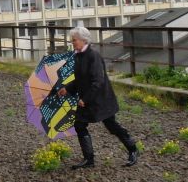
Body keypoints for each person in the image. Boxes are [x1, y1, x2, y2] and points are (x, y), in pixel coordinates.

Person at [58, 26, 138, 169]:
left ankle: (133, 149)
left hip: (101, 99)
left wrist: (85, 99)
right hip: (88, 100)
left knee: (111, 125)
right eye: (72, 40)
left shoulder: (93, 56)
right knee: (79, 125)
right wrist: (67, 88)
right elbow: (80, 79)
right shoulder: (78, 56)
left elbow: (98, 81)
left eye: (74, 40)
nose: (72, 42)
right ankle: (89, 159)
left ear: (84, 40)